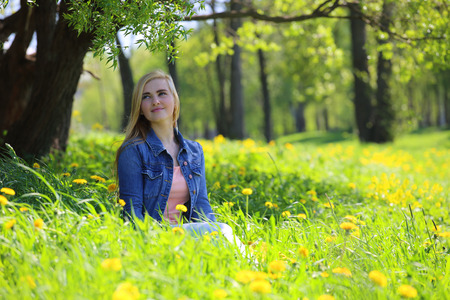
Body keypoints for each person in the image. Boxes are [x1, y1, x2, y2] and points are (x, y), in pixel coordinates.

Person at [115, 70, 245, 253]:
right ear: (140, 108)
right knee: (224, 230)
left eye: (161, 93)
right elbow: (132, 212)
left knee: (221, 231)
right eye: (146, 97)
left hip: (189, 239)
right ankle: (253, 268)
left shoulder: (194, 151)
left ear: (174, 101)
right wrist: (146, 247)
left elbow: (201, 205)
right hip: (155, 238)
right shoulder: (133, 151)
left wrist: (212, 237)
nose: (155, 101)